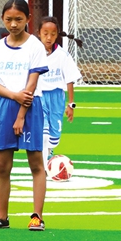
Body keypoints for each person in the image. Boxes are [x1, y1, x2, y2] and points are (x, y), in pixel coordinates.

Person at [0, 0, 48, 232]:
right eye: (9, 19)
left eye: (19, 19)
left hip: (30, 107)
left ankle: (37, 216)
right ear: (3, 19)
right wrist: (13, 97)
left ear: (28, 19)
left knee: (35, 163)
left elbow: (31, 85)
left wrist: (21, 114)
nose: (14, 24)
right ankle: (2, 217)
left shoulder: (35, 46)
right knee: (2, 165)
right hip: (4, 107)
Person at [36, 16, 81, 160]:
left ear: (57, 35)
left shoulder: (62, 55)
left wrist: (71, 104)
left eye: (53, 34)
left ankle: (49, 153)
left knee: (54, 137)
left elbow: (70, 79)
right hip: (39, 96)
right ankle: (41, 166)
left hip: (57, 98)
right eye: (45, 33)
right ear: (39, 33)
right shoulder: (33, 54)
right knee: (43, 131)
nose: (49, 37)